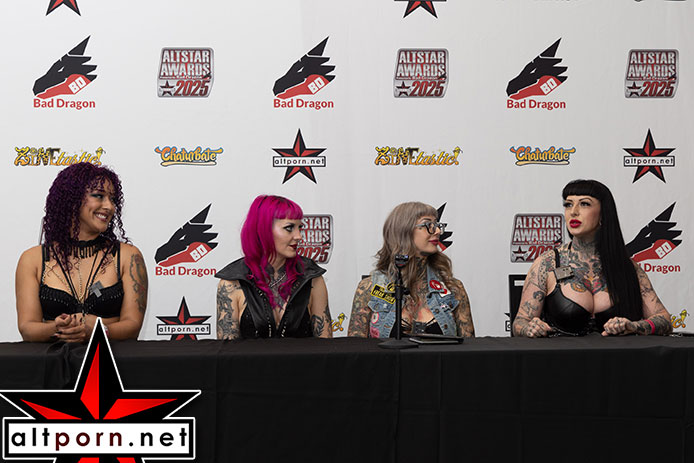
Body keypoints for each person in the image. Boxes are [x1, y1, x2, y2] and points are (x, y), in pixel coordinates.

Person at [513, 179, 672, 337]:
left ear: (603, 213)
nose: (573, 211)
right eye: (568, 204)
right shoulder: (548, 264)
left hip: (618, 353)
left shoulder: (627, 267)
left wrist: (634, 326)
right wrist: (529, 328)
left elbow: (664, 319)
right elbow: (520, 322)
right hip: (563, 353)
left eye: (584, 204)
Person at [15, 163, 148, 342]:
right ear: (72, 199)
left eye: (112, 199)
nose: (109, 206)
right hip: (54, 359)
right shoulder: (33, 259)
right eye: (99, 196)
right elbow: (27, 328)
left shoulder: (128, 256)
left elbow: (132, 325)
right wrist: (59, 328)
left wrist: (98, 331)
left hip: (108, 358)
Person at [348, 202, 474, 338]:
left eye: (437, 225)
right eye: (428, 225)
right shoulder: (369, 288)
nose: (437, 231)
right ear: (403, 230)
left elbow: (469, 348)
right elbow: (355, 347)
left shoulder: (453, 289)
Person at [215, 195, 332, 339]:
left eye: (300, 228)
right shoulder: (232, 282)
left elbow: (325, 346)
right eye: (289, 228)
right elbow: (227, 350)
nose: (299, 236)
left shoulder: (311, 277)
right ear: (263, 230)